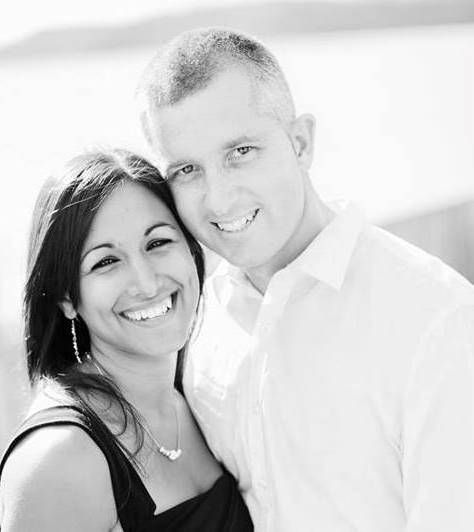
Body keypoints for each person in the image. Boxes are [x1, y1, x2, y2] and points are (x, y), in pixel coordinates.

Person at [136, 27, 474, 531]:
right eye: (187, 170)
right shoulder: (200, 322)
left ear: (300, 143)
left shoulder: (436, 321)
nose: (219, 199)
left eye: (241, 152)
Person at [0, 150, 253, 531]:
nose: (146, 284)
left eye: (158, 243)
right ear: (66, 297)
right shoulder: (61, 458)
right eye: (106, 262)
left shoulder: (200, 397)